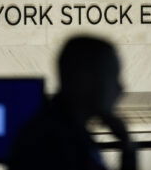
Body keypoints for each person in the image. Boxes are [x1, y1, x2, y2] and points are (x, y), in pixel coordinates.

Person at [8, 36, 137, 170]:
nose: (121, 88)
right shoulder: (54, 144)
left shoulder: (71, 134)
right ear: (85, 80)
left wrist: (127, 147)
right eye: (112, 76)